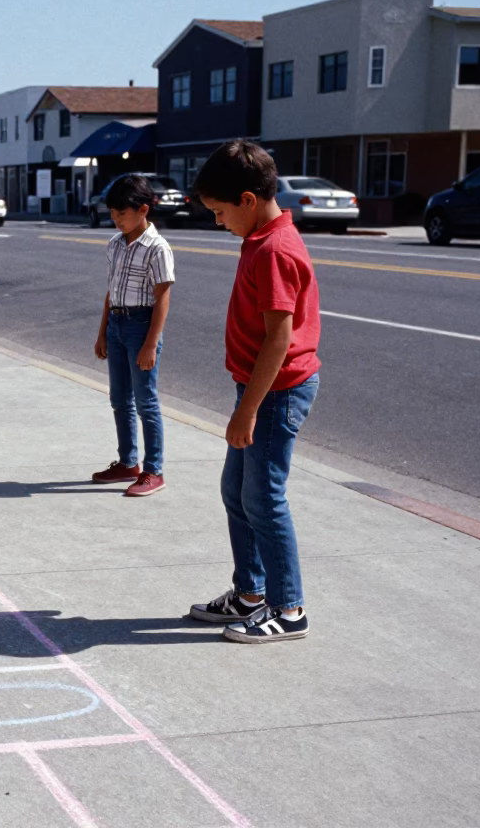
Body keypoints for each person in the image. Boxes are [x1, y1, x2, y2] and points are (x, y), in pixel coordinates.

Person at [188, 140, 322, 644]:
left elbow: (279, 337)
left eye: (220, 212)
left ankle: (289, 610)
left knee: (264, 498)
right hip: (260, 390)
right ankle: (250, 594)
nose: (219, 222)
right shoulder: (262, 237)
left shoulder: (274, 250)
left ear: (247, 199)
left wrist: (247, 411)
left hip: (276, 392)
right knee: (236, 492)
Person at [91, 174, 174, 497]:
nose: (116, 220)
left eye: (121, 214)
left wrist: (151, 343)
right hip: (116, 324)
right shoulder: (115, 244)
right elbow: (110, 293)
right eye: (112, 214)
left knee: (146, 402)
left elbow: (163, 298)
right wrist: (102, 333)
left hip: (142, 326)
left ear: (143, 209)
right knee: (119, 399)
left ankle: (154, 470)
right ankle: (128, 463)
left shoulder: (157, 248)